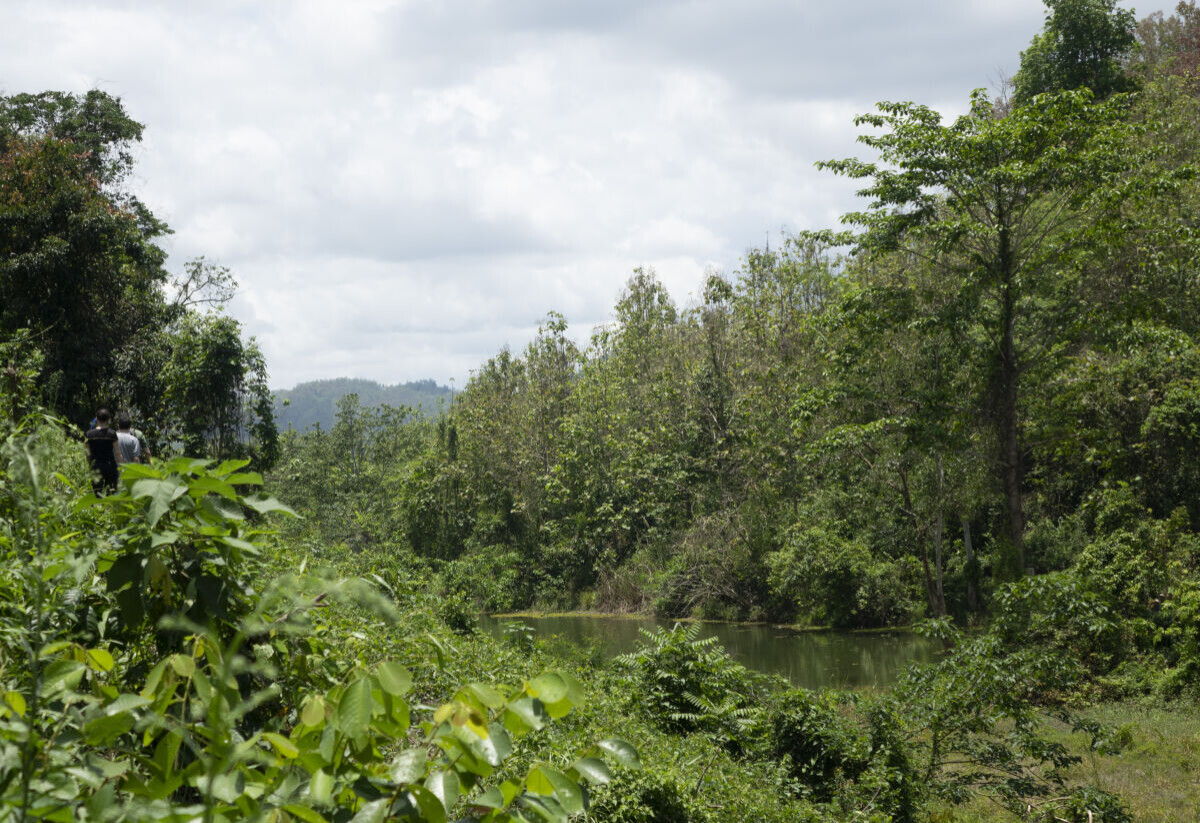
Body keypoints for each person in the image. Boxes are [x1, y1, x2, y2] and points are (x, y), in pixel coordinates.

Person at [85, 408, 120, 495]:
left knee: (97, 493)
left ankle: (98, 508)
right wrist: (121, 465)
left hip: (96, 466)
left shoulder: (89, 434)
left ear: (97, 418)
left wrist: (90, 465)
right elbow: (117, 452)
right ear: (108, 419)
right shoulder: (112, 433)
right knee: (111, 493)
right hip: (110, 466)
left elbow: (87, 453)